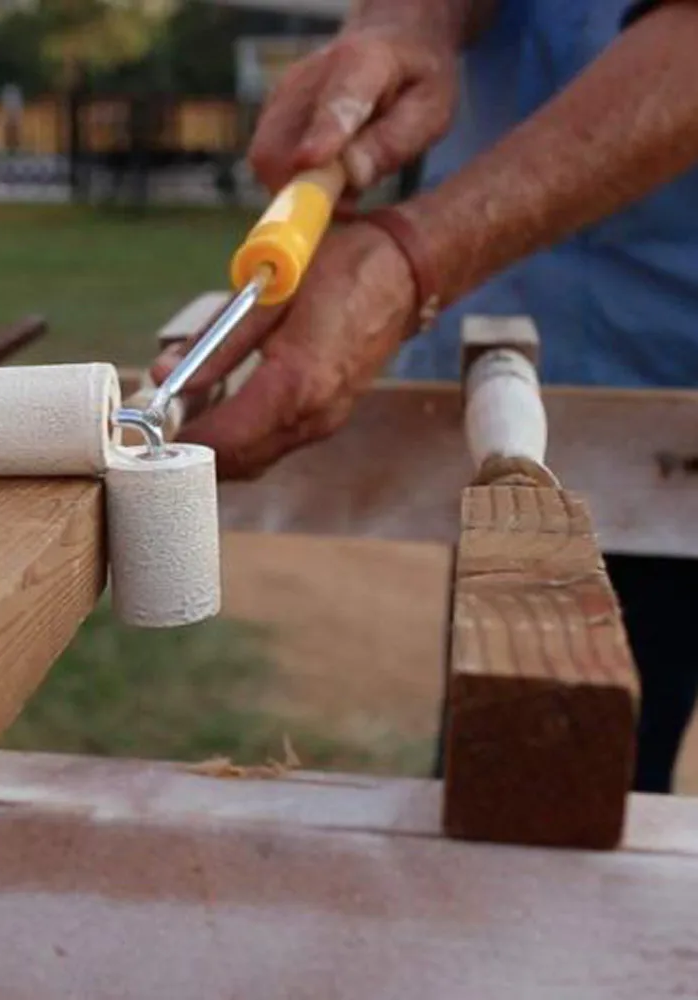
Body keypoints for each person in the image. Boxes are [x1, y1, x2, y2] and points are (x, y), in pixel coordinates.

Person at [151, 0, 698, 793]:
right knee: (522, 750)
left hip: (671, 381)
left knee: (564, 770)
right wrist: (409, 24)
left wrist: (416, 257)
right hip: (526, 361)